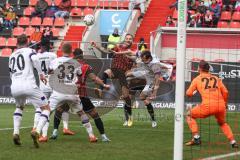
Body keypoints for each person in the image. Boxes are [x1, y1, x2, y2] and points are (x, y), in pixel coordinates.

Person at [50, 48, 111, 142]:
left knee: (59, 110)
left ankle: (54, 132)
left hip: (68, 92)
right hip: (81, 95)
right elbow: (94, 78)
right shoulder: (85, 66)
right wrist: (104, 85)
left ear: (73, 55)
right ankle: (103, 136)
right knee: (94, 114)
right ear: (82, 56)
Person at [9, 34, 50, 148]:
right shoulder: (30, 50)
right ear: (27, 42)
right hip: (28, 84)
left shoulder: (12, 55)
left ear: (17, 44)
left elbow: (11, 73)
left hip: (15, 86)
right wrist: (41, 74)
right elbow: (35, 59)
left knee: (19, 107)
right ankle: (37, 131)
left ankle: (16, 132)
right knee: (46, 108)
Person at [185, 60, 238, 148]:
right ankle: (233, 141)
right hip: (221, 106)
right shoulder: (216, 78)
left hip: (208, 106)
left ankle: (196, 137)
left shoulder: (197, 79)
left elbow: (188, 93)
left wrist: (190, 93)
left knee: (189, 115)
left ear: (200, 69)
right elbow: (225, 92)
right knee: (223, 123)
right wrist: (225, 103)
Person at [91, 34, 135, 127]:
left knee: (126, 98)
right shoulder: (118, 47)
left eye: (130, 39)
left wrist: (131, 71)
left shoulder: (132, 51)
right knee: (105, 73)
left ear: (132, 41)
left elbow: (135, 61)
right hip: (114, 70)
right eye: (126, 38)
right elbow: (106, 51)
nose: (128, 40)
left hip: (123, 73)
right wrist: (96, 46)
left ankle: (129, 117)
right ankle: (100, 90)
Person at [31, 45, 57, 142]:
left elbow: (35, 68)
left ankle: (35, 127)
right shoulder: (53, 55)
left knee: (40, 108)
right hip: (53, 85)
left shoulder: (37, 56)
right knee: (49, 109)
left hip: (43, 85)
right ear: (49, 46)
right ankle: (46, 133)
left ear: (42, 47)